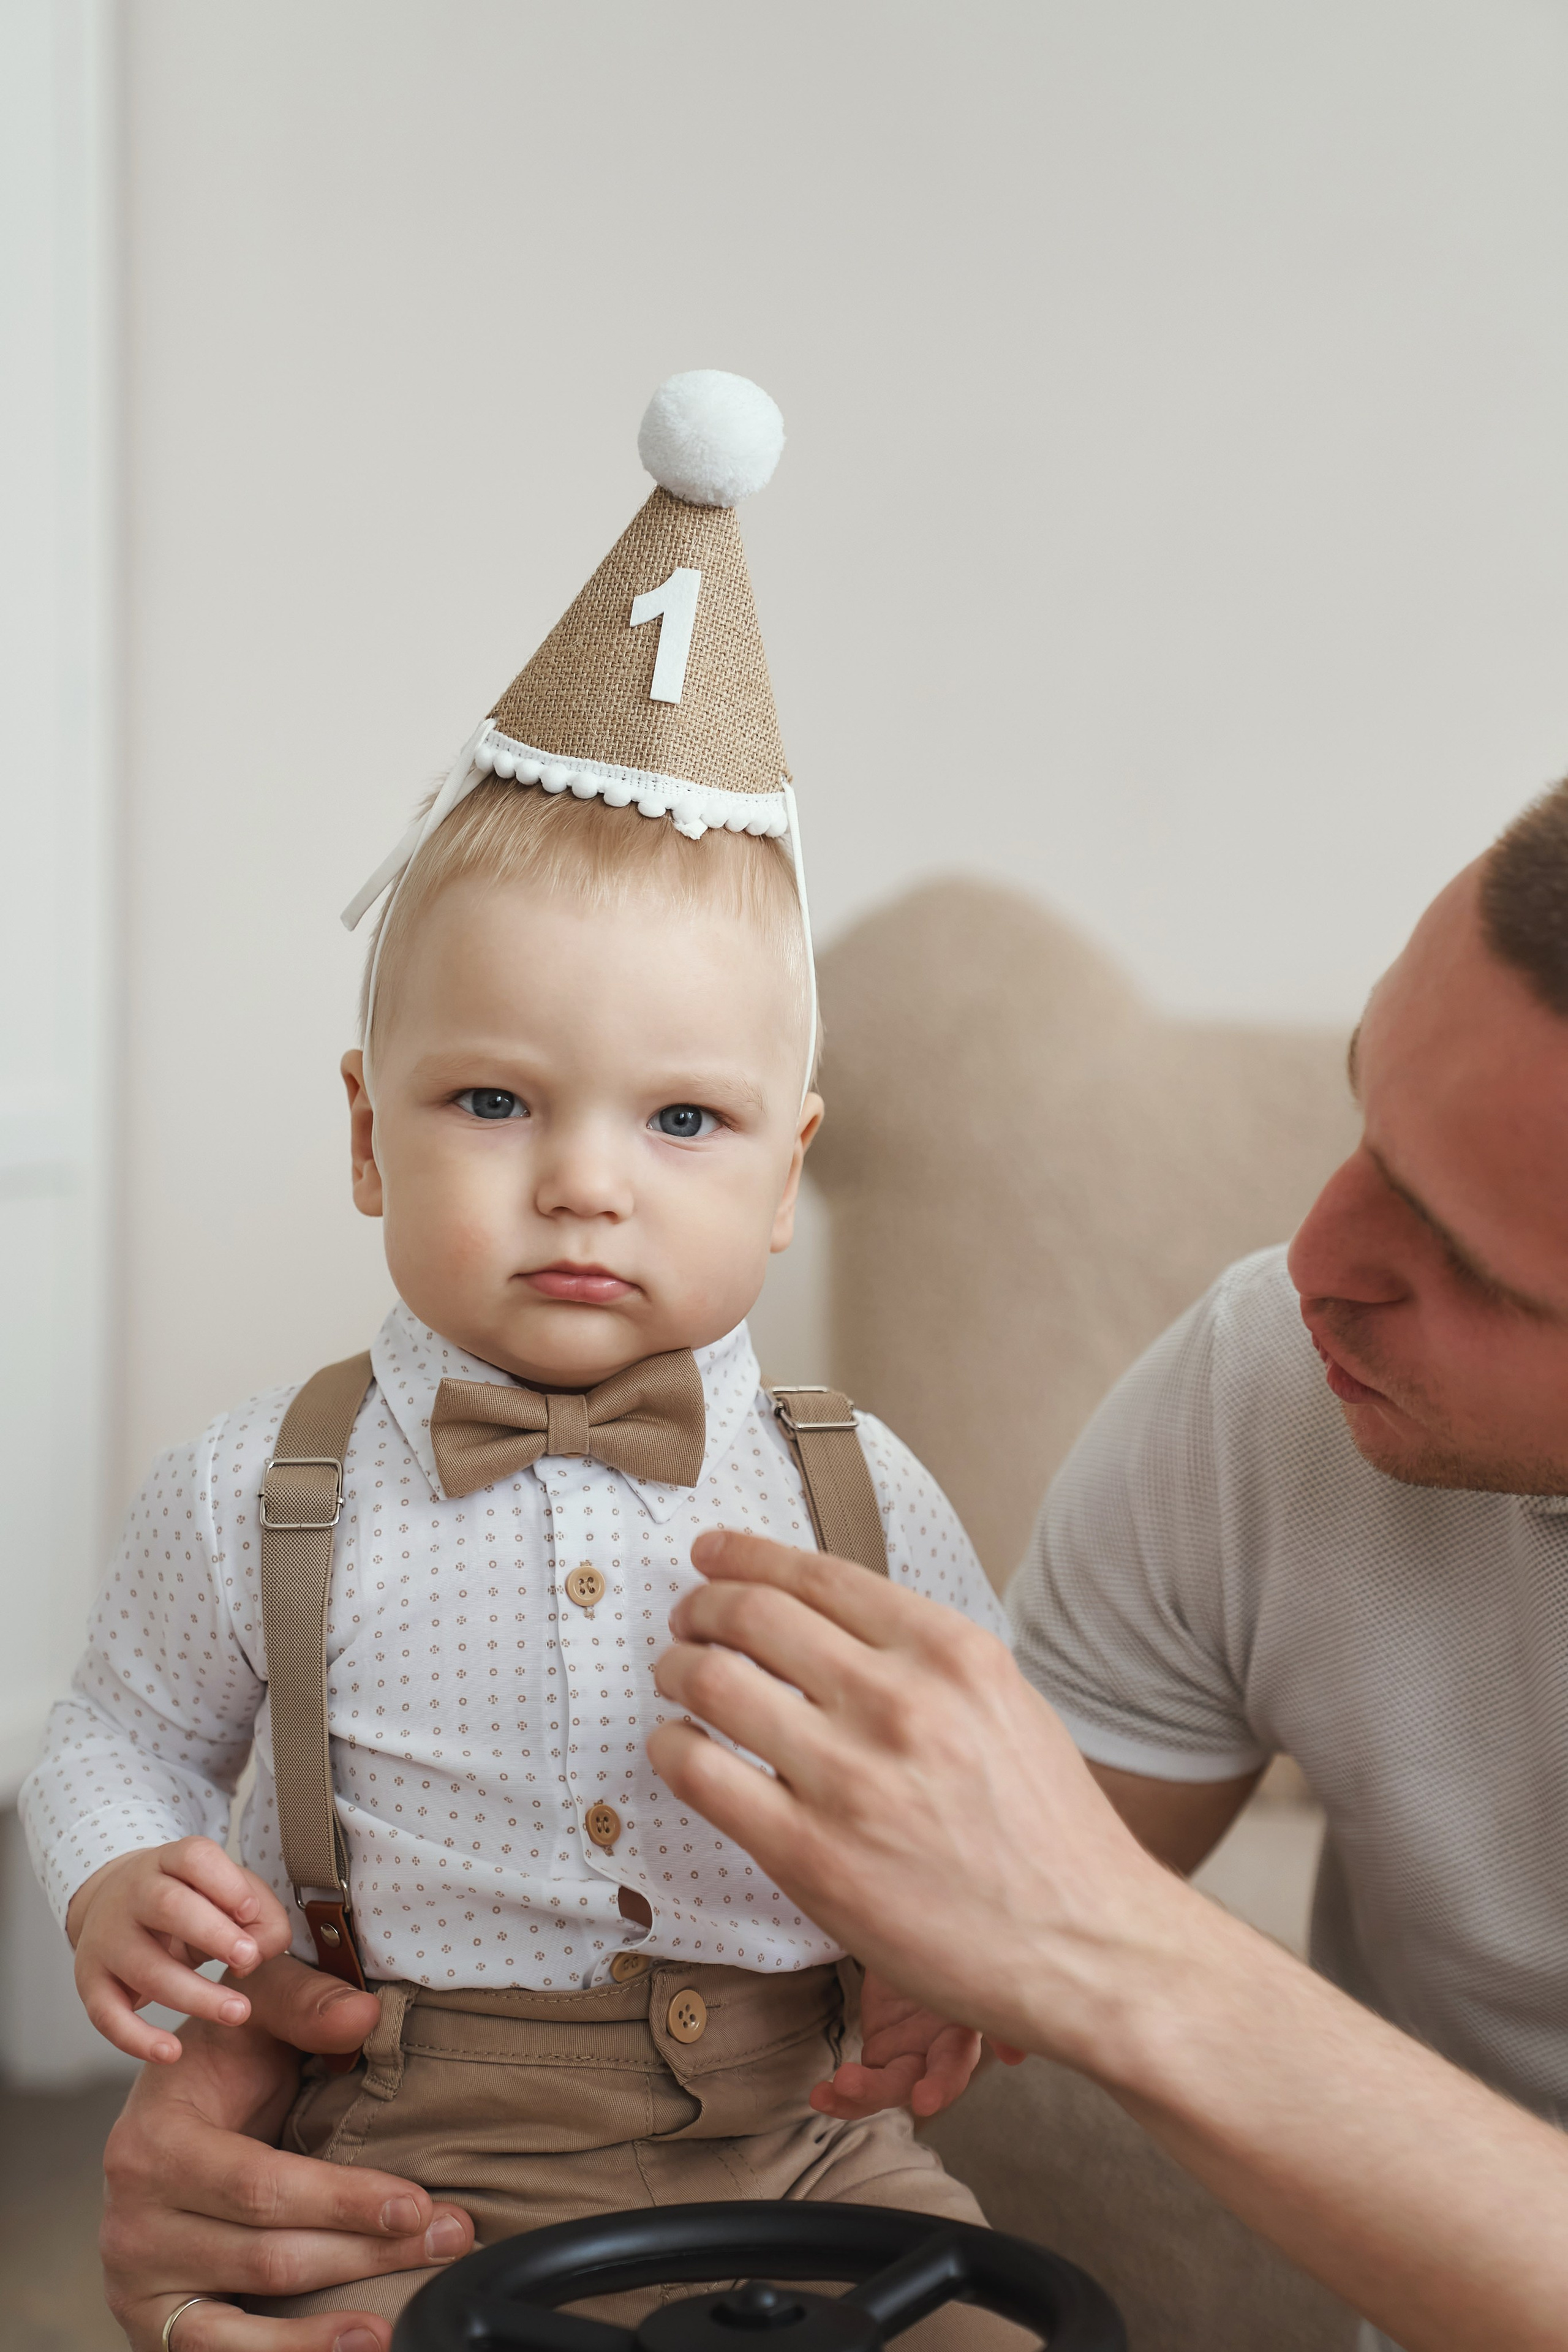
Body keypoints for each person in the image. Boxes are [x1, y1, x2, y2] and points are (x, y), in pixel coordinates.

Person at [21, 374, 1013, 2352]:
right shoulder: (257, 1488)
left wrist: (943, 1947)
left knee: (984, 2330)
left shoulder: (856, 1487)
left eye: (683, 1121)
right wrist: (117, 1870)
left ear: (788, 1173)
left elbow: (974, 1760)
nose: (584, 1183)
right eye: (493, 1100)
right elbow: (115, 1728)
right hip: (410, 2140)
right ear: (368, 1133)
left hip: (802, 2136)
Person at [654, 785, 1568, 2352]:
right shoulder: (1273, 1394)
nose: (1313, 1261)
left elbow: (1061, 1914)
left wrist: (1117, 1960)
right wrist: (296, 2066)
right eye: (1364, 1119)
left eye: (1464, 1260)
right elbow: (911, 1938)